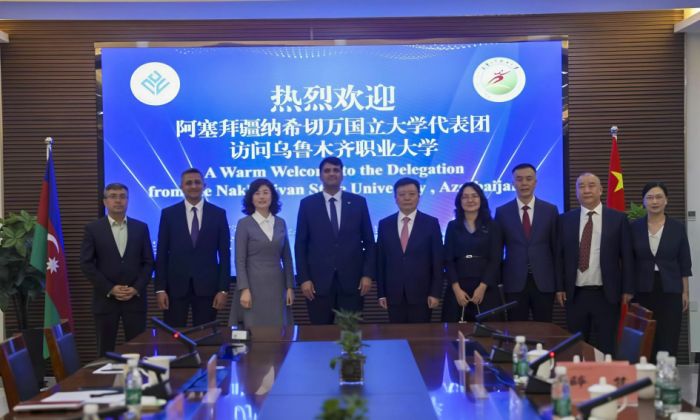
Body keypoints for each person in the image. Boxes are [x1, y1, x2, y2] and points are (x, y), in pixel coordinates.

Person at [556, 172, 634, 355]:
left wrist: (628, 289)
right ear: (576, 192)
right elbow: (559, 257)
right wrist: (559, 287)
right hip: (575, 295)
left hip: (607, 295)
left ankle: (606, 374)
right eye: (581, 186)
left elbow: (627, 256)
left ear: (601, 190)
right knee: (577, 347)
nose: (586, 190)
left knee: (607, 346)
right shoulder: (565, 220)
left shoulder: (617, 219)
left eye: (591, 185)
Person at [295, 156, 375, 324]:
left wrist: (367, 274)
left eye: (336, 170)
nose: (332, 173)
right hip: (317, 284)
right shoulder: (307, 204)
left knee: (351, 333)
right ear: (320, 175)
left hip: (353, 282)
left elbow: (369, 242)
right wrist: (304, 279)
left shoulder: (358, 202)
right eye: (327, 170)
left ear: (342, 174)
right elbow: (300, 245)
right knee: (320, 334)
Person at [80, 183, 154, 356]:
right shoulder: (93, 229)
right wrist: (110, 288)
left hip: (134, 300)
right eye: (113, 196)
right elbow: (86, 264)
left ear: (128, 200)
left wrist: (136, 288)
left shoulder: (141, 228)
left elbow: (149, 262)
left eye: (122, 196)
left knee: (137, 351)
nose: (118, 200)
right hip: (105, 301)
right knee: (105, 352)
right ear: (105, 201)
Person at [155, 168, 231, 327]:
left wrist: (223, 289)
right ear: (181, 187)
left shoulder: (218, 214)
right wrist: (160, 289)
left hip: (208, 288)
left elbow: (225, 255)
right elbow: (161, 253)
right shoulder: (168, 214)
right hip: (175, 288)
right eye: (189, 183)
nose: (194, 186)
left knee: (206, 335)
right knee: (174, 336)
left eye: (197, 182)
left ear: (204, 185)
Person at [631, 181, 691, 358]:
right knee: (645, 337)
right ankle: (646, 372)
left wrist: (685, 292)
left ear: (666, 200)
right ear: (643, 201)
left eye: (659, 197)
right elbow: (628, 260)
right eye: (650, 197)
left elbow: (684, 261)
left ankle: (667, 372)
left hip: (670, 288)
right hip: (642, 288)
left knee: (669, 335)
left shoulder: (677, 227)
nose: (654, 201)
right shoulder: (633, 227)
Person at [495, 163, 558, 322]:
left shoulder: (550, 210)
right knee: (517, 330)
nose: (524, 183)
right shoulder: (502, 212)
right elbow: (497, 250)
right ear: (513, 183)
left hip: (544, 282)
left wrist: (559, 284)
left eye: (528, 179)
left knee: (544, 329)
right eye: (519, 179)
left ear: (535, 182)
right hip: (514, 282)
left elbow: (556, 249)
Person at [376, 177, 443, 323]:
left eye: (412, 194)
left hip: (422, 294)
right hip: (393, 294)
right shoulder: (384, 224)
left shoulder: (431, 223)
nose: (407, 198)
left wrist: (435, 293)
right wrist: (381, 293)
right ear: (395, 198)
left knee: (421, 335)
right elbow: (381, 261)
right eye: (402, 194)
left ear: (419, 196)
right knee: (396, 334)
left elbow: (437, 261)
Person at [234, 179, 294, 328]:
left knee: (279, 330)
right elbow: (240, 260)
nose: (261, 197)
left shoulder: (281, 222)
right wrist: (244, 289)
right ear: (251, 198)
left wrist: (290, 287)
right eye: (257, 193)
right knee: (254, 330)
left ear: (272, 196)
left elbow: (287, 258)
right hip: (252, 287)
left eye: (266, 193)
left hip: (277, 286)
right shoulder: (244, 223)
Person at [442, 182, 501, 322]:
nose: (470, 200)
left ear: (481, 199)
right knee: (454, 330)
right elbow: (448, 260)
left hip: (486, 287)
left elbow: (495, 259)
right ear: (459, 201)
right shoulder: (452, 226)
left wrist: (482, 287)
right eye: (465, 197)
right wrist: (456, 289)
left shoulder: (493, 225)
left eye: (474, 196)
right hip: (458, 288)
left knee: (487, 330)